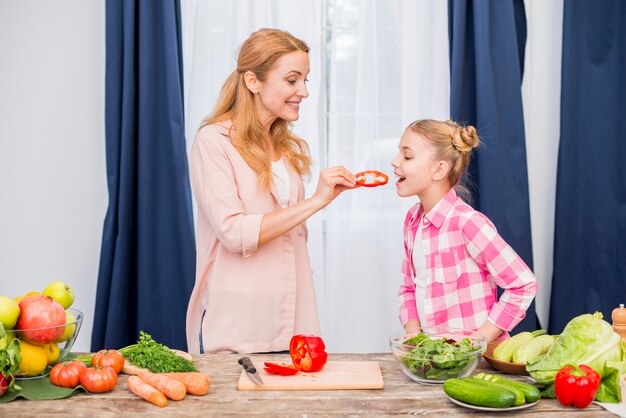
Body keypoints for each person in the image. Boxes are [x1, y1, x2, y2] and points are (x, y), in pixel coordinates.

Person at [185, 28, 357, 354]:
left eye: (306, 80)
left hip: (293, 322)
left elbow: (293, 241)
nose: (304, 91)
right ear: (253, 81)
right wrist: (317, 201)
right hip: (239, 324)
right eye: (292, 80)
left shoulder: (285, 148)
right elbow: (234, 233)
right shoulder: (213, 142)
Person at [391, 119, 537, 343]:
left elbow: (523, 284)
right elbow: (408, 287)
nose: (395, 162)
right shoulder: (412, 220)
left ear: (439, 169)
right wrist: (414, 338)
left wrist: (475, 343)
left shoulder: (467, 223)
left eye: (407, 156)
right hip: (434, 361)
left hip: (476, 365)